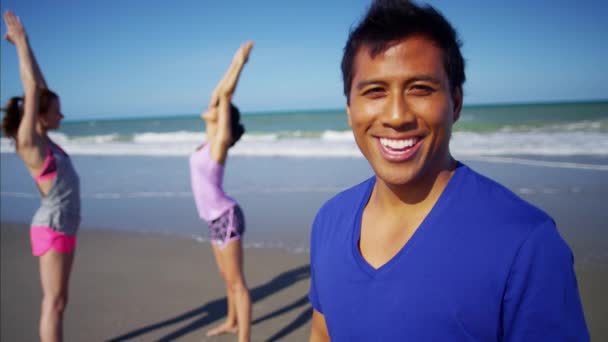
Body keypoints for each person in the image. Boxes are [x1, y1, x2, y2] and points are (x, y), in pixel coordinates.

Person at [308, 1, 589, 341]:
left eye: (420, 89)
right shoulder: (329, 222)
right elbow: (322, 333)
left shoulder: (526, 243)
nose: (397, 116)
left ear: (455, 102)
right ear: (350, 108)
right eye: (375, 91)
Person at [1, 11, 81, 342]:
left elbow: (40, 86)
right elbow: (32, 88)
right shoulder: (29, 143)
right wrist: (19, 43)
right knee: (53, 302)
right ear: (41, 117)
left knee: (60, 301)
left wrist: (29, 45)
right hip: (51, 226)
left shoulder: (46, 139)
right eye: (57, 110)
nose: (62, 114)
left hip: (64, 224)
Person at [189, 41, 253, 342]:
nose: (211, 105)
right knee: (227, 280)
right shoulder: (208, 139)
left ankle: (244, 338)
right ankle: (230, 322)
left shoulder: (219, 142)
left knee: (238, 283)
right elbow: (219, 93)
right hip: (214, 219)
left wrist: (238, 62)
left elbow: (224, 96)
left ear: (222, 118)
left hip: (226, 216)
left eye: (216, 109)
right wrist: (230, 68)